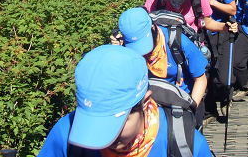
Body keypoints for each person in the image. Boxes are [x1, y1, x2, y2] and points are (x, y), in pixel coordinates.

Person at [37, 45, 212, 156]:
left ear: (144, 102)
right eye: (93, 120)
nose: (106, 137)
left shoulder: (186, 145)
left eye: (116, 121)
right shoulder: (65, 135)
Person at [183, 0, 239, 122]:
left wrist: (211, 2)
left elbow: (233, 10)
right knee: (203, 74)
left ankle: (225, 97)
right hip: (199, 35)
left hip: (220, 31)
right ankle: (209, 111)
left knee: (221, 75)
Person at [118, 7, 208, 106]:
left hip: (181, 100)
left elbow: (200, 79)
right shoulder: (124, 48)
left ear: (153, 28)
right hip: (149, 100)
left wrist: (191, 109)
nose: (143, 53)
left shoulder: (179, 42)